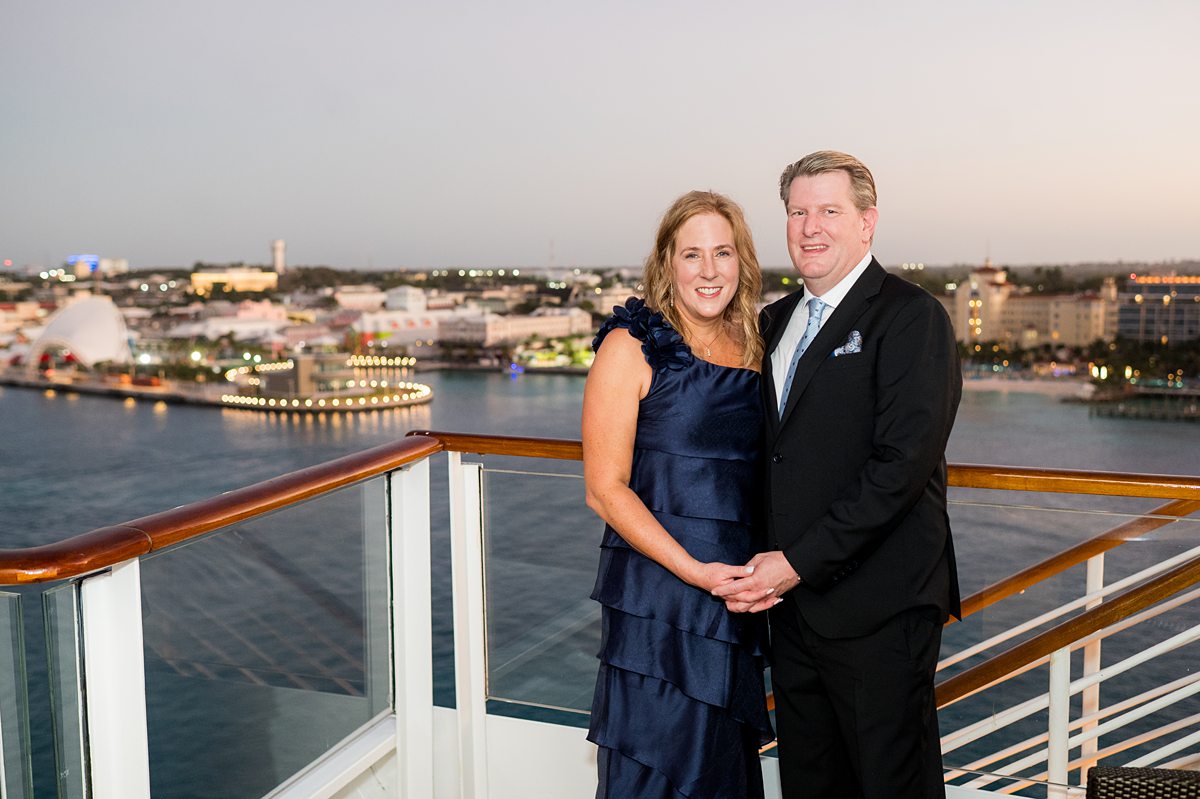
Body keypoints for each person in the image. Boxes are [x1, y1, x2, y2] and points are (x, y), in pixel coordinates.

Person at [714, 151, 963, 798]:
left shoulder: (911, 318)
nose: (810, 227)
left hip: (881, 608)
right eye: (798, 211)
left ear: (867, 222)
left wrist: (795, 560)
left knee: (890, 785)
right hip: (792, 609)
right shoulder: (772, 321)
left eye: (830, 210)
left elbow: (900, 468)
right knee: (809, 782)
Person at [583, 190, 775, 798]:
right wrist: (694, 571)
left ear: (742, 261)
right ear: (666, 262)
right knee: (658, 760)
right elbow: (604, 490)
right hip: (659, 592)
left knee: (721, 763)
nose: (709, 270)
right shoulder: (631, 346)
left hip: (736, 591)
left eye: (723, 253)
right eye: (692, 254)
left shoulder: (758, 346)